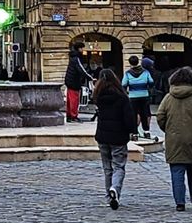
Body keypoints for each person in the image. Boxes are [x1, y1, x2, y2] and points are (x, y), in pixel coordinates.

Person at [154, 67, 192, 211]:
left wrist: (167, 129)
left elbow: (160, 116)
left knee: (176, 172)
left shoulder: (168, 98)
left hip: (174, 138)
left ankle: (180, 202)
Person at [91, 69, 135, 209]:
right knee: (119, 166)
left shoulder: (98, 97)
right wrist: (132, 131)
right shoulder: (122, 97)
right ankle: (115, 189)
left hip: (103, 137)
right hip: (118, 137)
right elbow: (128, 118)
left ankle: (109, 196)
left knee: (107, 168)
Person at [122, 56, 155, 139]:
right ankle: (146, 132)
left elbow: (124, 84)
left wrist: (126, 92)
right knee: (144, 114)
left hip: (133, 96)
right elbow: (151, 82)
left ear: (130, 63)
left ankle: (135, 133)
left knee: (133, 114)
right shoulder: (146, 72)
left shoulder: (128, 73)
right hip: (144, 95)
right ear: (138, 62)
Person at [63, 47, 91, 122]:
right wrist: (90, 77)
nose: (83, 50)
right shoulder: (76, 59)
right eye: (82, 48)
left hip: (69, 81)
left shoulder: (72, 58)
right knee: (74, 100)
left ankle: (69, 115)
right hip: (74, 82)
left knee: (69, 100)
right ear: (79, 48)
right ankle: (73, 116)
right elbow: (81, 70)